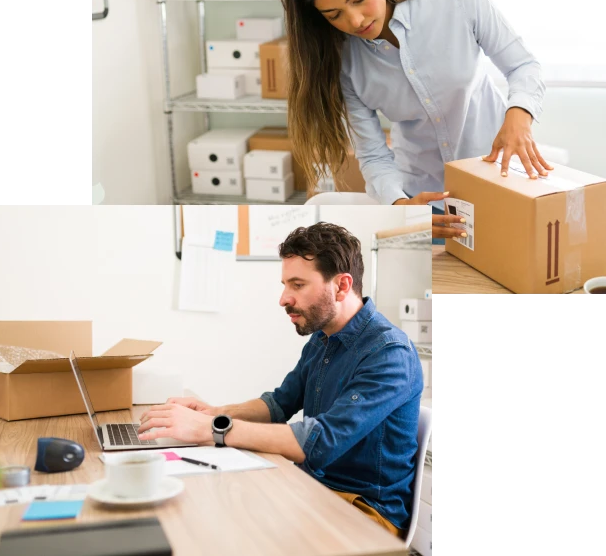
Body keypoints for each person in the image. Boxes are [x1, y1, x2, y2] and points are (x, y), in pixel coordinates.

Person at [138, 222, 423, 539]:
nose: (284, 298)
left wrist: (210, 431)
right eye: (285, 284)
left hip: (364, 510)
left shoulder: (389, 353)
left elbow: (320, 442)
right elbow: (278, 404)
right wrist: (214, 414)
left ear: (342, 286)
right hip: (312, 486)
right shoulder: (322, 339)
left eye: (297, 285)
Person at [281, 0, 552, 242]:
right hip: (424, 199)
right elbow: (373, 156)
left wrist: (518, 116)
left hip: (497, 182)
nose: (355, 20)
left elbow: (523, 66)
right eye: (334, 15)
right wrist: (401, 205)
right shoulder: (345, 64)